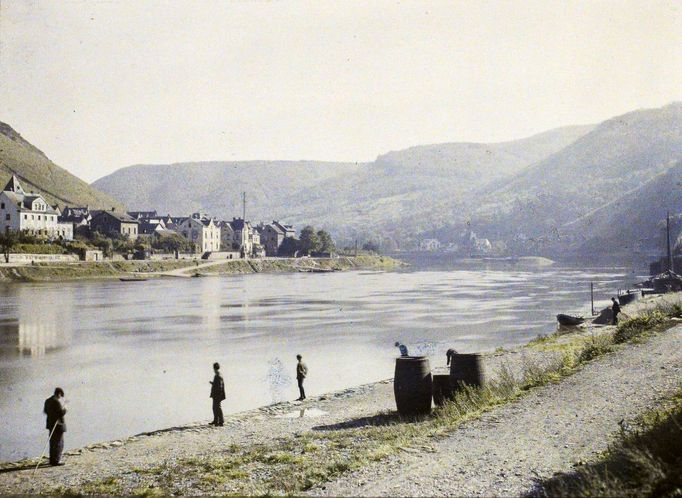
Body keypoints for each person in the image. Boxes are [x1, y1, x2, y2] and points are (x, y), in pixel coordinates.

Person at [43, 387, 67, 466]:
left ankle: (52, 460)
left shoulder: (47, 401)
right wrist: (65, 409)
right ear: (59, 393)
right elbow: (60, 413)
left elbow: (45, 411)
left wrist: (52, 415)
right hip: (58, 426)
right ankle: (56, 460)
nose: (60, 397)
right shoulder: (56, 402)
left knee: (52, 443)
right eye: (61, 395)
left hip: (50, 424)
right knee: (59, 443)